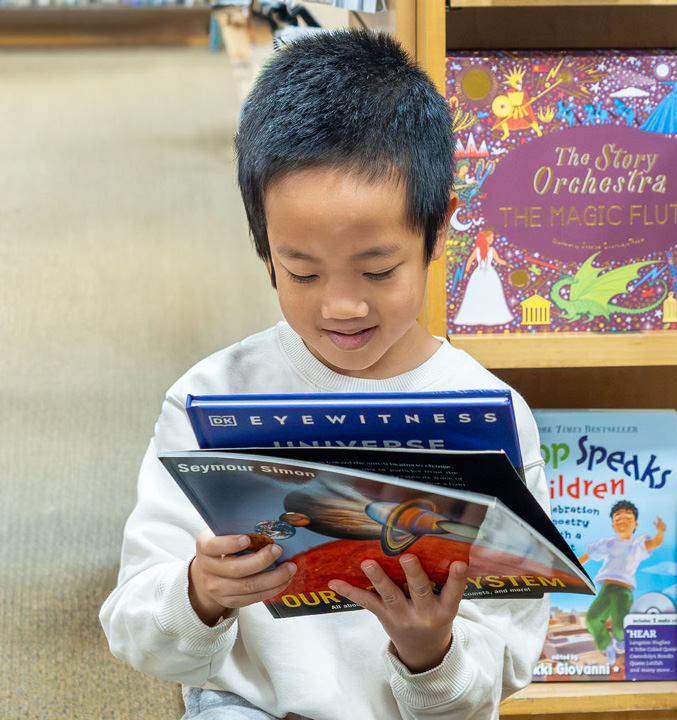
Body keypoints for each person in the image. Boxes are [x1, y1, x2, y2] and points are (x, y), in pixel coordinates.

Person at [100, 29, 550, 720]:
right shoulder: (210, 398)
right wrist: (200, 591)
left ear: (437, 231)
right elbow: (136, 630)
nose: (342, 304)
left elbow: (501, 666)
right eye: (301, 272)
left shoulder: (490, 413)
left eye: (378, 270)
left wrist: (430, 653)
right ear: (264, 248)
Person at [578, 501, 666, 665]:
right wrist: (573, 568)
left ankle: (621, 640)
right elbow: (588, 555)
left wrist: (660, 532)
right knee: (592, 618)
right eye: (618, 519)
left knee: (620, 626)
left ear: (635, 523)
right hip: (607, 587)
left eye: (628, 518)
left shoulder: (637, 544)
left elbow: (654, 543)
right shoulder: (609, 543)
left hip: (623, 591)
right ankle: (606, 646)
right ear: (613, 524)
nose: (622, 522)